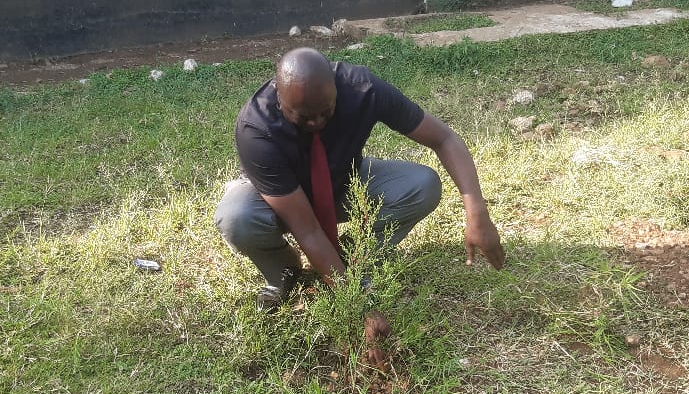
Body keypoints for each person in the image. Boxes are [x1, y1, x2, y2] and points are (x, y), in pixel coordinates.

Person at [214, 47, 505, 304]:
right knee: (236, 218)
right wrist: (359, 303)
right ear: (279, 97)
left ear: (335, 89)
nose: (316, 122)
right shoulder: (256, 128)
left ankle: (354, 257)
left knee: (423, 185)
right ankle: (284, 268)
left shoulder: (363, 88)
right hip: (276, 201)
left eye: (326, 112)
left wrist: (478, 215)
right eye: (302, 116)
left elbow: (445, 139)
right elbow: (308, 230)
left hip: (342, 182)